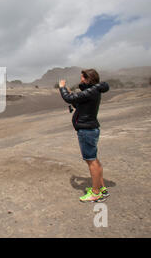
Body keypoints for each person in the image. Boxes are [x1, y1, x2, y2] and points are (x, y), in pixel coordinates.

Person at [58, 69, 110, 202]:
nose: (81, 80)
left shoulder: (91, 91)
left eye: (83, 78)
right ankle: (101, 188)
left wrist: (62, 88)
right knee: (94, 160)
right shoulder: (93, 91)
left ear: (89, 79)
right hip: (90, 129)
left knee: (91, 161)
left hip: (87, 131)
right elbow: (78, 103)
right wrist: (71, 93)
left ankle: (96, 193)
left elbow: (68, 99)